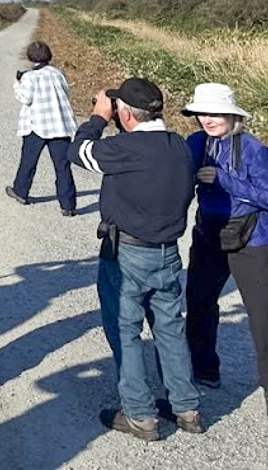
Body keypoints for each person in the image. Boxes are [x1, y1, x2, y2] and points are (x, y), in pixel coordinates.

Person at [70, 76, 203, 441]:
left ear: (125, 113)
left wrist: (98, 117)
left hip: (126, 253)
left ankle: (141, 414)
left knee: (125, 331)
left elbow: (78, 151)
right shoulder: (179, 146)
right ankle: (186, 407)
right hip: (168, 253)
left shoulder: (126, 149)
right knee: (170, 329)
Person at [181, 82, 268, 427]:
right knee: (199, 303)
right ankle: (204, 370)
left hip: (253, 239)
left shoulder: (255, 150)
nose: (207, 119)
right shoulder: (196, 143)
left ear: (232, 115)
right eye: (201, 112)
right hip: (208, 233)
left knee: (263, 316)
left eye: (214, 112)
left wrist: (223, 179)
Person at [7, 39, 78, 216]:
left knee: (28, 162)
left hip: (36, 126)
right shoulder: (58, 73)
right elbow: (65, 93)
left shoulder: (30, 77)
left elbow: (25, 98)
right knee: (62, 166)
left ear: (31, 57)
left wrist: (17, 84)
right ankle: (68, 205)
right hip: (59, 126)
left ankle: (21, 192)